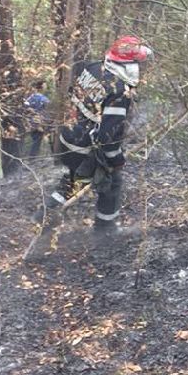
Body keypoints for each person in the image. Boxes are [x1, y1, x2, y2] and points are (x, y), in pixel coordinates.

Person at [45, 35, 153, 236]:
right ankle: (105, 230)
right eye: (138, 63)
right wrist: (116, 160)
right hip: (83, 147)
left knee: (73, 180)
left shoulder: (93, 67)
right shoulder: (120, 92)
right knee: (112, 181)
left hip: (66, 137)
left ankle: (42, 216)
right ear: (129, 65)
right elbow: (107, 138)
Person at [23, 81, 50, 158]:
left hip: (31, 122)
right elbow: (47, 110)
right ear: (41, 87)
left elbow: (25, 107)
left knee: (35, 140)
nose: (46, 87)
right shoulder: (44, 99)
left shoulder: (31, 97)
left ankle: (32, 156)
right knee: (37, 141)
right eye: (45, 86)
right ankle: (32, 158)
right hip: (38, 122)